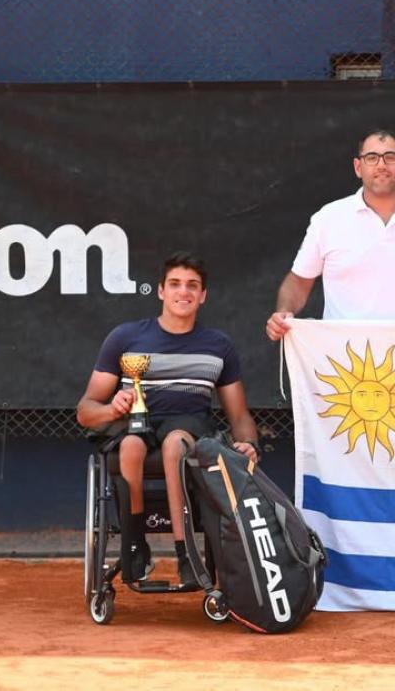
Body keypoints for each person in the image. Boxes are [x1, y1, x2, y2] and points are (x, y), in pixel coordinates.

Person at [77, 251, 260, 587]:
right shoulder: (125, 338)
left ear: (203, 295)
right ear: (161, 291)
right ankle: (135, 547)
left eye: (192, 285)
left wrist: (249, 443)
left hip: (190, 427)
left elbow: (239, 414)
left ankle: (186, 553)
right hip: (138, 426)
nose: (183, 292)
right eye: (175, 284)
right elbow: (85, 411)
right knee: (130, 446)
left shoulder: (219, 345)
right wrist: (112, 409)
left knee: (175, 443)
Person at [265, 129, 395, 339]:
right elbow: (299, 282)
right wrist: (284, 312)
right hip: (344, 355)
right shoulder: (328, 219)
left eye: (390, 157)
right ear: (358, 167)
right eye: (372, 158)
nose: (381, 165)